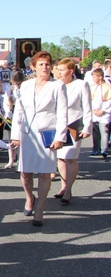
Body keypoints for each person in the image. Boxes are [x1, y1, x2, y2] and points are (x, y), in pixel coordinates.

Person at [11, 51, 68, 227]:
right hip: (28, 134)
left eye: (48, 64)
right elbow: (18, 111)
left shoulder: (57, 86)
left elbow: (62, 113)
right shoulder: (26, 86)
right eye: (41, 64)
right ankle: (30, 198)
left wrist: (60, 137)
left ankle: (40, 208)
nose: (45, 67)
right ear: (33, 67)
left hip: (47, 135)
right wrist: (15, 135)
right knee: (25, 173)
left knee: (44, 173)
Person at [53, 59, 92, 204]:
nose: (59, 73)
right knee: (61, 158)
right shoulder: (56, 85)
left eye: (62, 70)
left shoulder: (81, 85)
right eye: (57, 70)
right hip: (59, 126)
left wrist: (87, 127)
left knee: (70, 158)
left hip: (75, 125)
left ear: (70, 71)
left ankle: (68, 189)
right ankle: (63, 186)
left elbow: (87, 107)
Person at [4, 70, 26, 169]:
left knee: (23, 140)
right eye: (15, 83)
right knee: (11, 140)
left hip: (24, 118)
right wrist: (9, 110)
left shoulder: (27, 88)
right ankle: (11, 160)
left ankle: (21, 160)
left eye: (19, 83)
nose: (17, 85)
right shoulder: (10, 90)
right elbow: (6, 102)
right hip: (12, 116)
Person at [90, 67, 111, 157]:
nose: (93, 79)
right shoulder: (92, 87)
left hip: (104, 113)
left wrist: (103, 110)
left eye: (94, 77)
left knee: (104, 131)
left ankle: (104, 150)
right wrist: (93, 109)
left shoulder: (108, 87)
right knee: (95, 132)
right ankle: (95, 149)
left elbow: (109, 100)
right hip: (94, 113)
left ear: (100, 77)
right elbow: (89, 100)